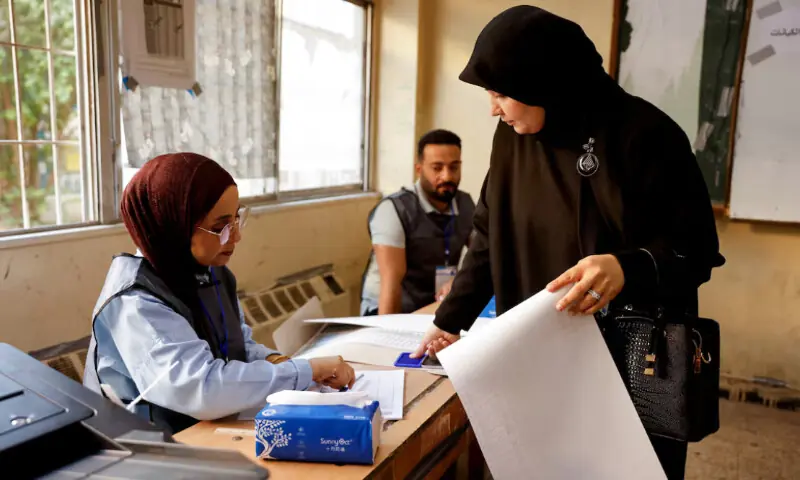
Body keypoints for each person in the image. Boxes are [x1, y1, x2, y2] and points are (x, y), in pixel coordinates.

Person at [410, 6, 725, 479]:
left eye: (500, 94)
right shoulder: (513, 138)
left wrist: (628, 267)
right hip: (544, 357)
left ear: (543, 83)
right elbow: (489, 235)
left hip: (632, 368)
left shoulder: (648, 136)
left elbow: (696, 250)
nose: (493, 108)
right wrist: (449, 321)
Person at [83, 153, 355, 433]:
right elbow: (202, 388)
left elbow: (237, 345)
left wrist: (276, 361)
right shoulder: (135, 301)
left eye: (236, 219)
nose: (235, 236)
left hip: (204, 430)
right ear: (174, 225)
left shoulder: (208, 273)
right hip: (146, 450)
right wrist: (306, 371)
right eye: (220, 227)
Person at [360, 129, 476, 315]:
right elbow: (391, 282)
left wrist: (459, 279)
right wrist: (388, 335)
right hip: (387, 310)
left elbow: (483, 254)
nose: (447, 176)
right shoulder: (393, 210)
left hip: (432, 305)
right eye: (437, 168)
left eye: (454, 167)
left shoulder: (466, 204)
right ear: (419, 169)